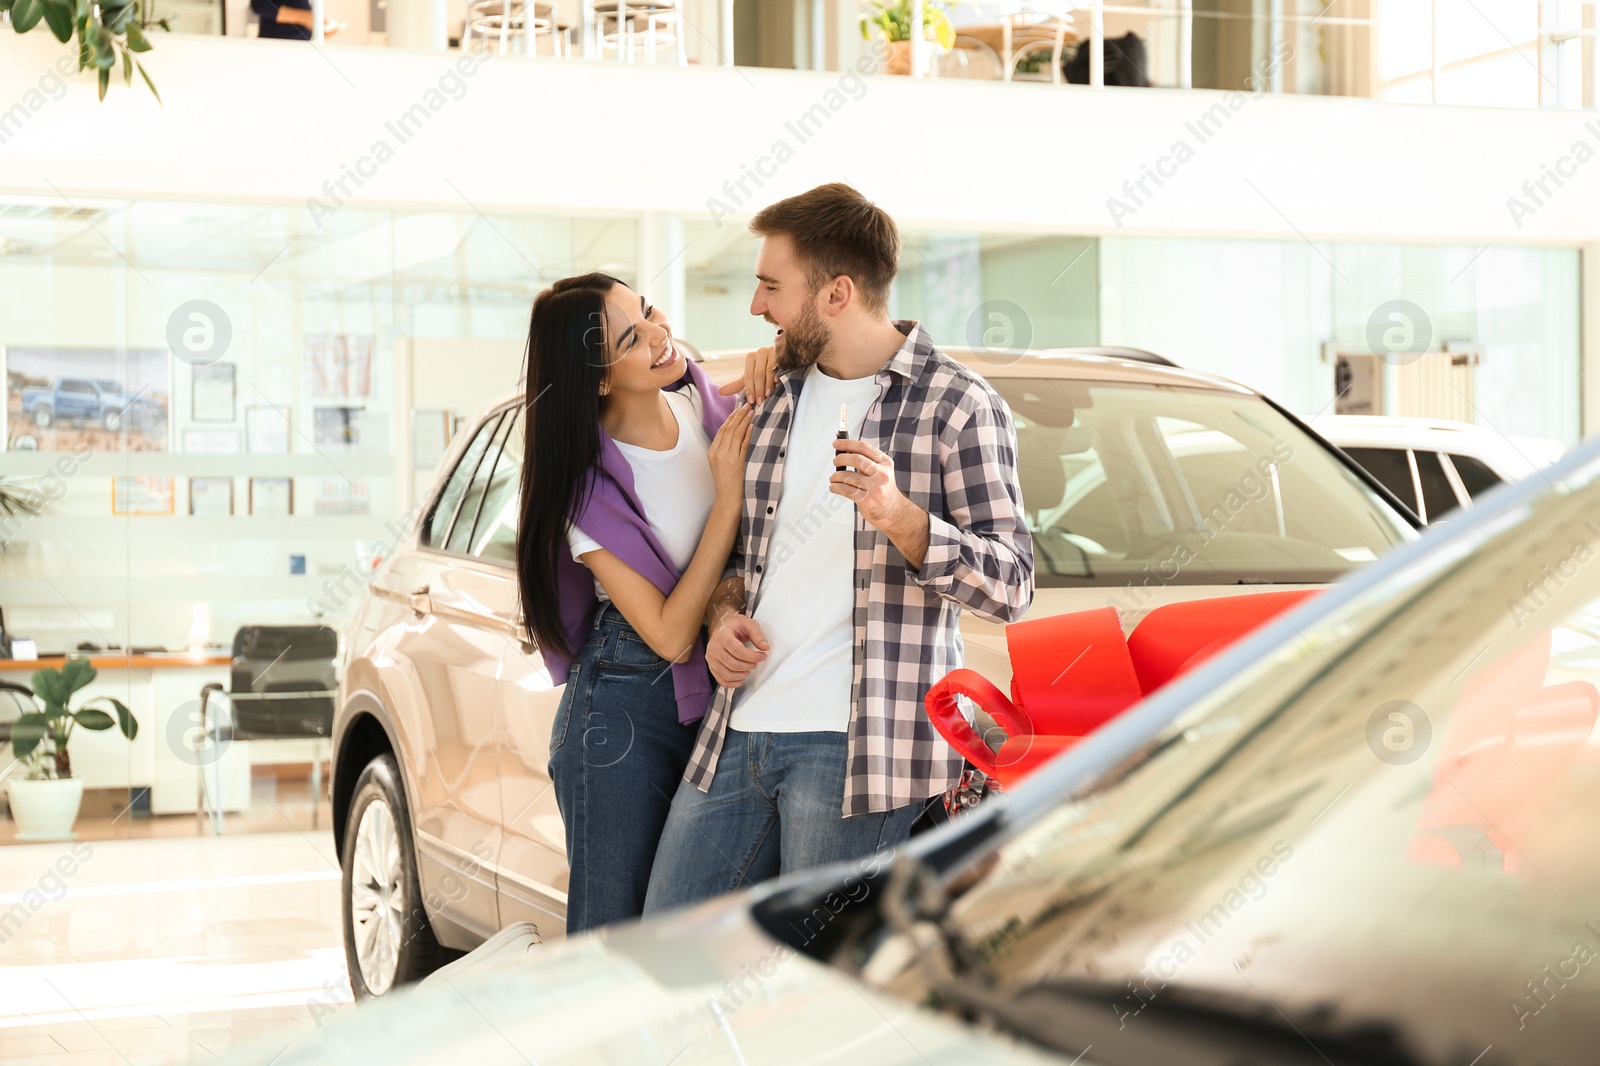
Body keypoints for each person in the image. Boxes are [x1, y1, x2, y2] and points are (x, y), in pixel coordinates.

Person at [643, 184, 1034, 914]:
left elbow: (1011, 585)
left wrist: (903, 518)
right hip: (737, 732)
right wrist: (721, 618)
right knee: (669, 954)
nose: (757, 307)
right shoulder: (769, 398)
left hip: (861, 753)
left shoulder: (957, 406)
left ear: (837, 293)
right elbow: (736, 559)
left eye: (770, 287)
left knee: (820, 993)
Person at [514, 273, 767, 934]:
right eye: (631, 338)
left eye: (649, 311)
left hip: (721, 697)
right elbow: (669, 634)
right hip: (622, 712)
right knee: (613, 941)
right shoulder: (585, 485)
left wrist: (777, 363)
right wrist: (728, 498)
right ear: (598, 379)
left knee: (695, 934)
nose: (659, 334)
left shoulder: (702, 406)